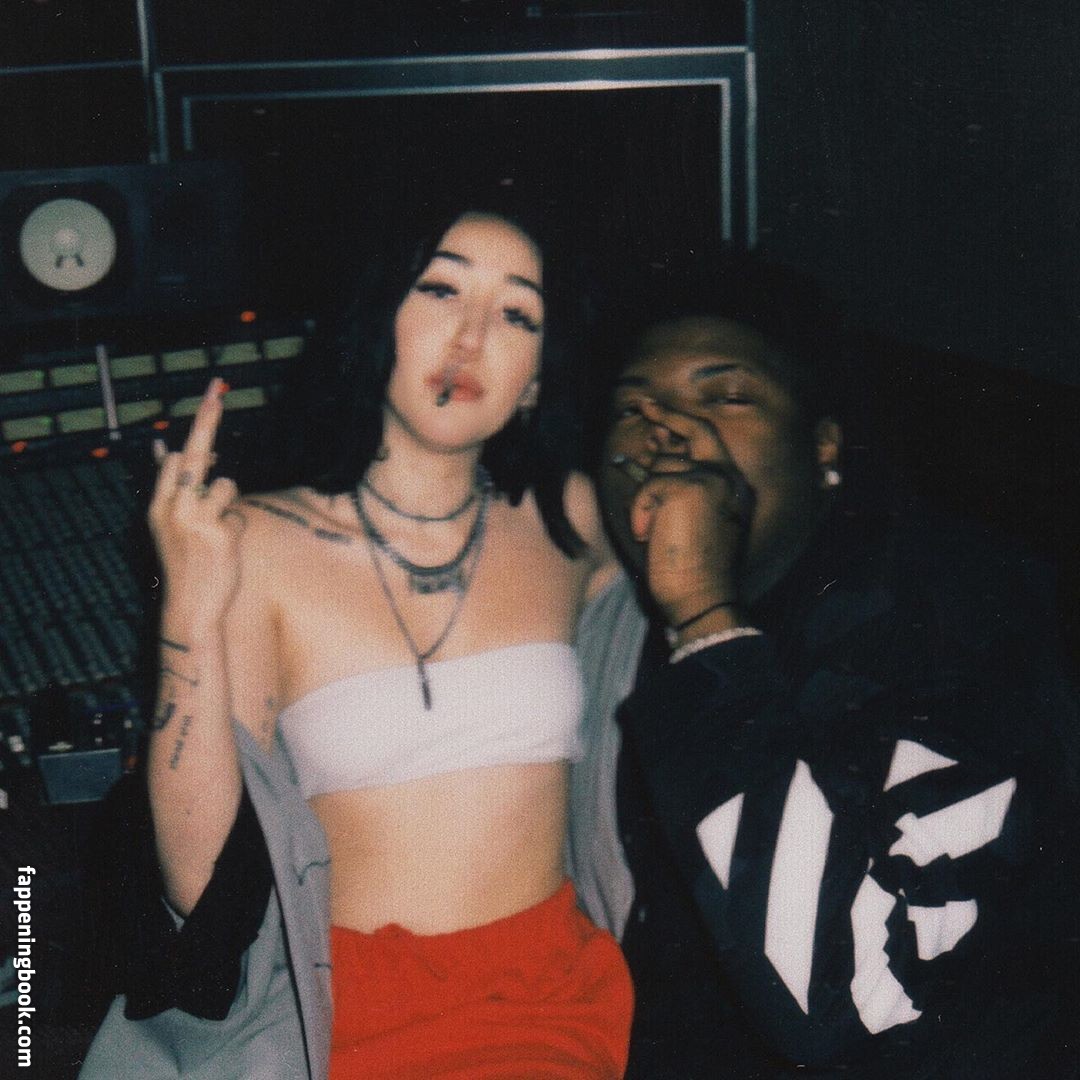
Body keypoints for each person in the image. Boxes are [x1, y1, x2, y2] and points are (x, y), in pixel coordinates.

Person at [80, 198, 633, 1079]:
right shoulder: (255, 544)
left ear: (537, 374)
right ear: (377, 321)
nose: (471, 337)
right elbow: (199, 884)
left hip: (547, 1000)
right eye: (441, 290)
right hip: (339, 1016)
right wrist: (188, 607)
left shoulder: (572, 519)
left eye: (517, 313)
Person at [567, 257, 1080, 1078]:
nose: (667, 430)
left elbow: (861, 1002)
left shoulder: (954, 612)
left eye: (727, 396)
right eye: (634, 407)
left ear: (823, 446)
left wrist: (703, 614)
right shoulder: (621, 620)